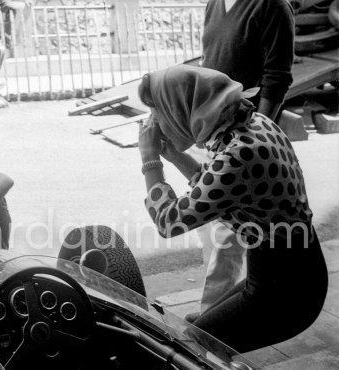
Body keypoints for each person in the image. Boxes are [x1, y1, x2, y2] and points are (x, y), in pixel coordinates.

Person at [137, 65, 328, 353]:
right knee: (199, 329)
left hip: (287, 290)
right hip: (288, 269)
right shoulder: (249, 124)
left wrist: (150, 159)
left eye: (159, 114)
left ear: (183, 109)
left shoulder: (240, 154)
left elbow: (169, 222)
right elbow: (216, 186)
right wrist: (174, 153)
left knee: (194, 348)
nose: (156, 123)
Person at [192, 0, 296, 318]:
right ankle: (219, 313)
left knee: (228, 242)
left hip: (241, 142)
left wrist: (250, 138)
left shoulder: (272, 6)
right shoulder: (214, 4)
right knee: (210, 231)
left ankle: (209, 330)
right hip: (209, 133)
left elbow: (276, 80)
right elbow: (210, 64)